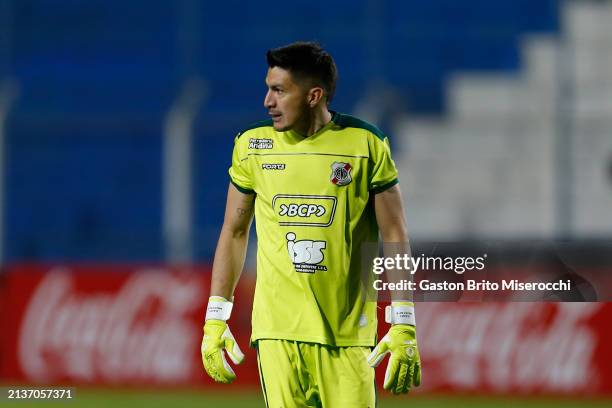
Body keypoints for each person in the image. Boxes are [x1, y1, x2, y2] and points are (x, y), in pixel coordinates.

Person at [201, 41, 421, 407]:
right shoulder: (252, 146)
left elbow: (395, 232)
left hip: (348, 337)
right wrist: (215, 318)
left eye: (279, 90)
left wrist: (404, 321)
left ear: (314, 95)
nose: (267, 101)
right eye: (268, 88)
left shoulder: (365, 144)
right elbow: (234, 231)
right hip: (277, 333)